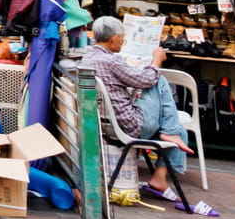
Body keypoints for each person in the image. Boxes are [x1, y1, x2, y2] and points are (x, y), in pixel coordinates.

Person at [80, 16, 200, 203]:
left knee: (181, 132)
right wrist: (156, 60)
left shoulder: (88, 57)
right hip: (130, 126)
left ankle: (159, 177)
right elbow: (147, 79)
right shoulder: (110, 61)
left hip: (108, 125)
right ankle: (169, 132)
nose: (123, 41)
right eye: (122, 37)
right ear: (113, 39)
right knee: (157, 78)